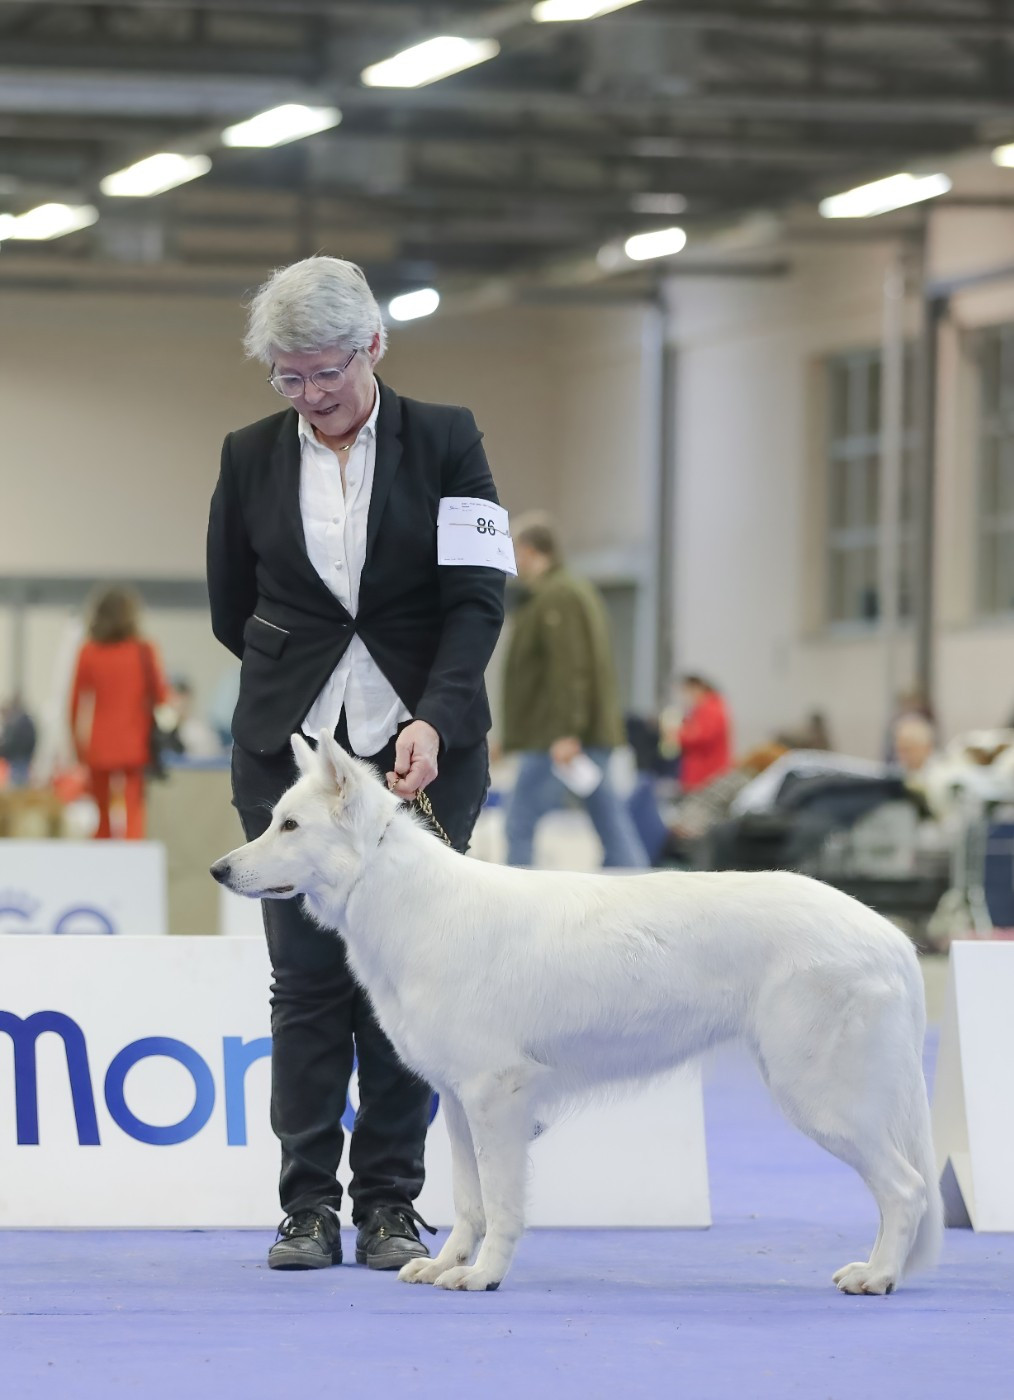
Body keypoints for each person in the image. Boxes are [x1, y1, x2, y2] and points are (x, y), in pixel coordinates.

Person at [207, 255, 506, 1273]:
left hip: (420, 752)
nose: (308, 393)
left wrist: (438, 714)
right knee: (304, 982)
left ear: (373, 345)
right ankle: (304, 1206)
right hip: (290, 760)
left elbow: (477, 599)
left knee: (411, 985)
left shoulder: (449, 438)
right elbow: (228, 606)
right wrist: (295, 698)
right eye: (287, 377)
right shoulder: (247, 454)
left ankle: (389, 1203)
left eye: (324, 370)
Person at [501, 514, 648, 869]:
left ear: (531, 550)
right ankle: (635, 880)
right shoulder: (560, 592)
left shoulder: (559, 596)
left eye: (516, 551)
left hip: (559, 735)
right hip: (568, 732)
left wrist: (568, 731)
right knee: (606, 817)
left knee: (518, 820)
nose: (514, 562)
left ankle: (516, 906)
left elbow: (570, 670)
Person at [69, 587, 169, 839]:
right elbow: (161, 696)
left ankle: (101, 866)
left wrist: (77, 745)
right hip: (134, 741)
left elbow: (76, 704)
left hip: (98, 744)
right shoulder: (144, 650)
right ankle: (131, 864)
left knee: (101, 813)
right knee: (133, 811)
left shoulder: (88, 651)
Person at [673, 674, 732, 791]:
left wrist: (678, 733)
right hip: (703, 772)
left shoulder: (710, 709)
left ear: (697, 688)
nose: (686, 697)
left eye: (686, 691)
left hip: (706, 774)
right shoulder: (705, 708)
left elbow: (701, 737)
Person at [0, 695, 37, 786]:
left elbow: (12, 741)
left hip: (18, 757)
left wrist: (4, 751)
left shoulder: (18, 723)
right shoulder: (25, 721)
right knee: (20, 781)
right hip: (22, 757)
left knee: (18, 783)